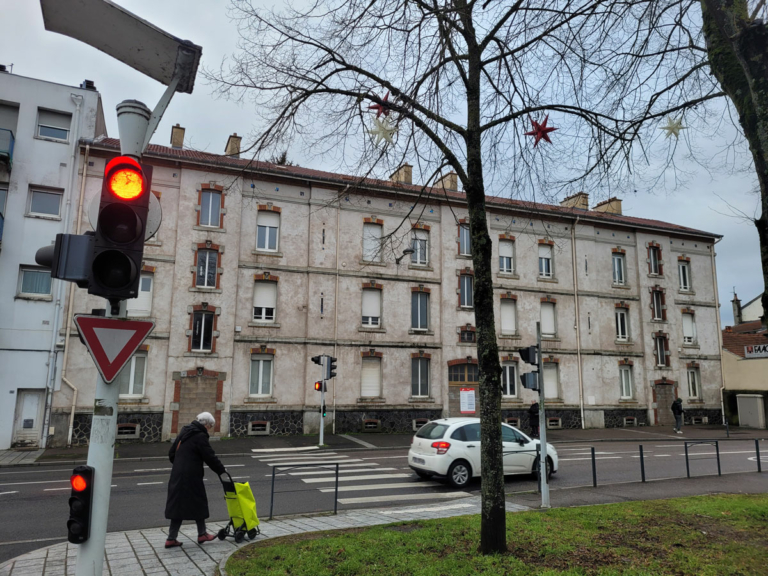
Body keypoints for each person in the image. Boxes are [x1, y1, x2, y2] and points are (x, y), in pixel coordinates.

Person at [164, 412, 226, 549]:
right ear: (207, 425)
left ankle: (171, 538)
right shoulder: (200, 436)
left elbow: (171, 453)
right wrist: (222, 470)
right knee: (199, 502)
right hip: (191, 476)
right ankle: (202, 534)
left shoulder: (184, 432)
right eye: (210, 426)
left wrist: (180, 464)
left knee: (177, 505)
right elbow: (210, 456)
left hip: (177, 474)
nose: (209, 429)